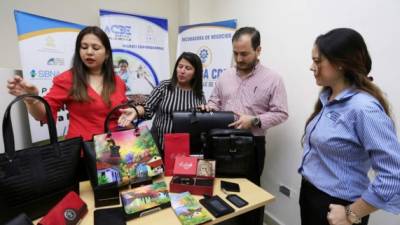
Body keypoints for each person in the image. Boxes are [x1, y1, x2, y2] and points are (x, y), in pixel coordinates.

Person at [299, 28, 400, 225]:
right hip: (312, 195)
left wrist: (352, 213)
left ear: (340, 64)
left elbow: (394, 175)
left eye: (318, 61)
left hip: (337, 207)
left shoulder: (364, 109)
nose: (312, 67)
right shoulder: (328, 98)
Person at [7, 26, 132, 179]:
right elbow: (43, 115)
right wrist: (31, 99)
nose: (89, 52)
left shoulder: (117, 81)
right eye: (84, 47)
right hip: (84, 154)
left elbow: (123, 115)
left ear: (106, 54)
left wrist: (133, 125)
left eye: (96, 47)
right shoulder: (68, 79)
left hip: (116, 151)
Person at [202, 26, 289, 225]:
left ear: (258, 51)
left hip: (251, 143)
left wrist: (255, 120)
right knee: (217, 188)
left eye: (244, 54)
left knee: (250, 192)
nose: (239, 59)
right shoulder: (225, 76)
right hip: (219, 141)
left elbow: (281, 113)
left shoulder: (273, 79)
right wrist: (209, 108)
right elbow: (215, 102)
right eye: (235, 53)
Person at [119, 52, 205, 155]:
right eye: (180, 66)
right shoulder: (165, 86)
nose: (182, 71)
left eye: (188, 68)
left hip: (184, 148)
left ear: (196, 72)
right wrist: (136, 111)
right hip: (159, 143)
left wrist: (204, 111)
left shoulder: (199, 94)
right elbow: (148, 107)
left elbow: (199, 122)